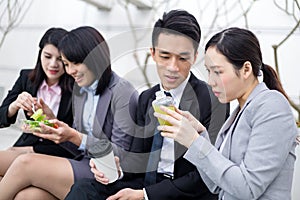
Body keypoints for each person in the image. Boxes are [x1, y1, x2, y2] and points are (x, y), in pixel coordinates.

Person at [65, 9, 228, 200]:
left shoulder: (213, 100)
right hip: (145, 184)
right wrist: (115, 168)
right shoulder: (146, 98)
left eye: (182, 58)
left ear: (194, 57)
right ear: (153, 53)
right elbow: (136, 158)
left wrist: (145, 195)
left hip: (185, 192)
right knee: (84, 189)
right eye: (165, 56)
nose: (173, 67)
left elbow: (206, 174)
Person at [154, 27, 298, 200]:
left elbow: (248, 189)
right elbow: (217, 185)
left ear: (246, 69)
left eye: (218, 72)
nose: (211, 81)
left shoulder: (272, 106)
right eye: (209, 71)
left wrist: (195, 142)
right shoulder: (240, 111)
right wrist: (200, 136)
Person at [0, 26, 138, 199]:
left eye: (76, 63)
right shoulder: (80, 90)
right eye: (67, 64)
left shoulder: (122, 92)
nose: (70, 71)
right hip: (81, 163)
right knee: (28, 196)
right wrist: (53, 123)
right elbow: (75, 146)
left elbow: (120, 154)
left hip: (107, 172)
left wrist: (75, 137)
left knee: (24, 163)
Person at [0, 27, 76, 180]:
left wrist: (31, 150)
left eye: (60, 59)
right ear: (40, 53)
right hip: (25, 146)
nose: (53, 64)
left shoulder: (76, 88)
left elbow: (74, 140)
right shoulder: (26, 78)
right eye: (47, 56)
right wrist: (14, 106)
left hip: (57, 154)